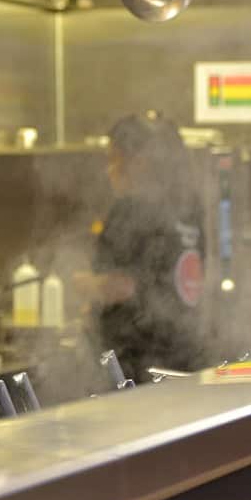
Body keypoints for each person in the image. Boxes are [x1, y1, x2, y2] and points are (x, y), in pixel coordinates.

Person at [81, 112, 208, 382]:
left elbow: (122, 286)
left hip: (137, 365)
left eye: (114, 160)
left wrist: (84, 285)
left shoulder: (131, 210)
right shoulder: (189, 209)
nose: (109, 170)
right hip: (186, 357)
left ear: (138, 162)